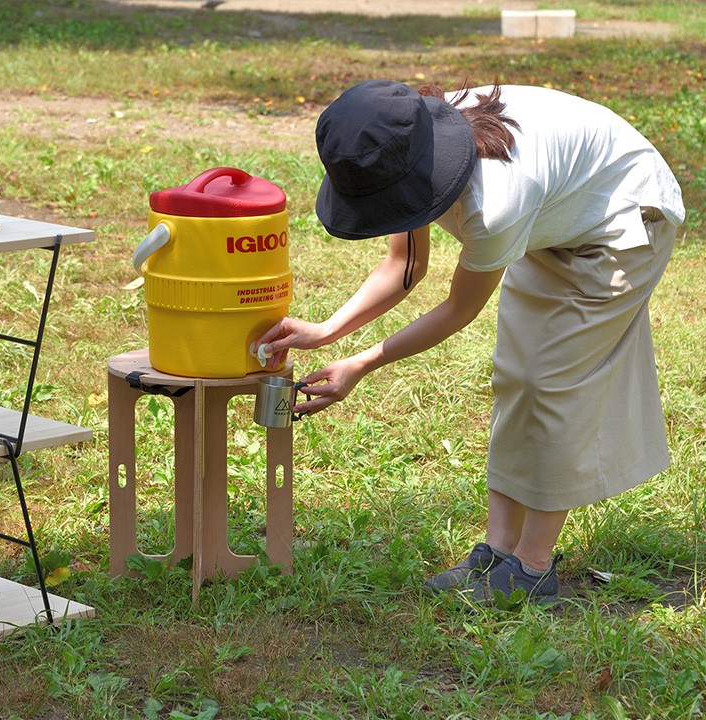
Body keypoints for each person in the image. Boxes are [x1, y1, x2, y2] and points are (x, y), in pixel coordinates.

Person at [254, 78, 685, 606]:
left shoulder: (496, 201)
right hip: (557, 215)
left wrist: (361, 364)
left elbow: (459, 309)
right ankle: (498, 551)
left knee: (551, 384)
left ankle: (532, 567)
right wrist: (326, 331)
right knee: (516, 376)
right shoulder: (407, 141)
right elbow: (404, 265)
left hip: (622, 221)